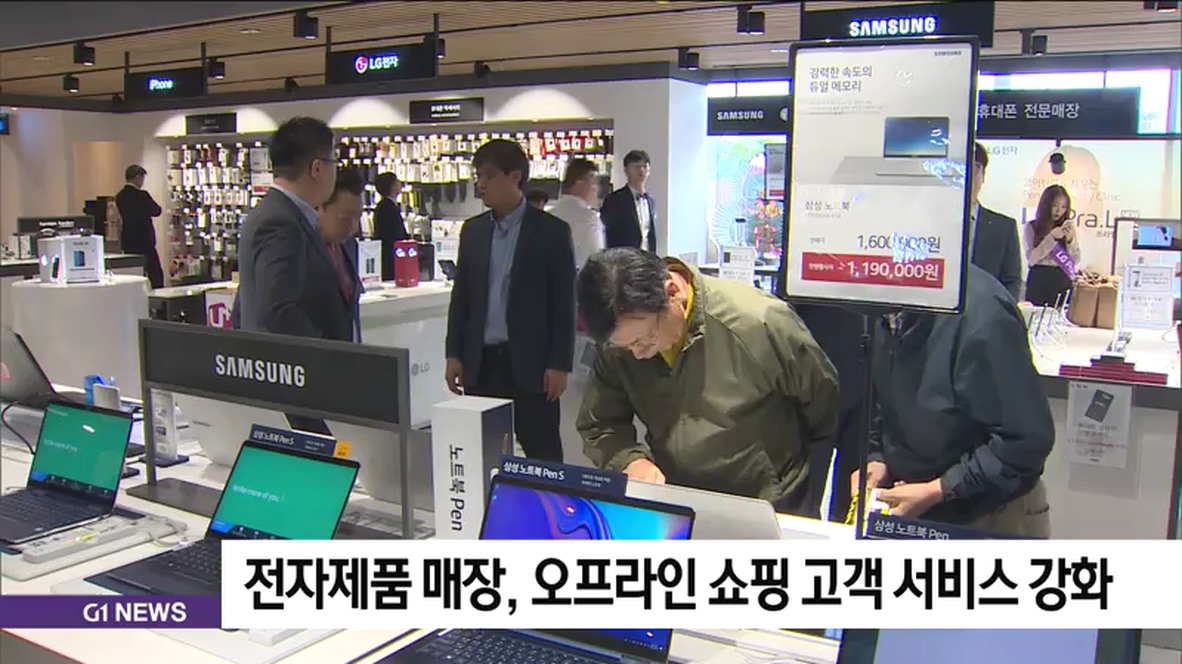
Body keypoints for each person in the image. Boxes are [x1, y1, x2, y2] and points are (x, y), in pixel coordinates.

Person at [576, 248, 841, 515]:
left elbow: (822, 400)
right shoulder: (619, 341)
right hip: (678, 501)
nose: (638, 354)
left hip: (768, 500)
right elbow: (600, 423)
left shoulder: (758, 322)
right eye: (626, 347)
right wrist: (629, 461)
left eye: (645, 339)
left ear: (672, 293)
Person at [852, 264, 1055, 537]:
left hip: (990, 513)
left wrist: (941, 488)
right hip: (919, 506)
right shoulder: (884, 306)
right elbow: (886, 401)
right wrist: (878, 458)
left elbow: (1027, 442)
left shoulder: (983, 314)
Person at [444, 139, 576, 462]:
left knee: (544, 456)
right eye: (478, 175)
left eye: (488, 175)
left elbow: (563, 303)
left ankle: (547, 498)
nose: (481, 183)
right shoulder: (473, 232)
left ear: (515, 177)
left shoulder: (551, 232)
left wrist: (559, 363)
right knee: (482, 455)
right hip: (482, 363)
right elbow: (461, 298)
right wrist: (453, 353)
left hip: (532, 365)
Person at [235, 116, 356, 341]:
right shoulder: (280, 222)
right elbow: (277, 311)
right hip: (295, 361)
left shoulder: (279, 213)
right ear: (317, 168)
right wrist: (325, 353)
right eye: (334, 162)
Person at [968, 142, 1022, 300]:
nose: (967, 176)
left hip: (986, 312)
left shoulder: (1004, 228)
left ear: (983, 175)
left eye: (974, 168)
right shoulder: (931, 223)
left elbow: (1011, 284)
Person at [1024, 184, 1082, 307]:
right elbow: (1032, 259)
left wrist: (1070, 240)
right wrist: (1052, 238)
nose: (1059, 211)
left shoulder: (1066, 228)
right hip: (1039, 279)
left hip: (1061, 279)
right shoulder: (1032, 227)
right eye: (1055, 205)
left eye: (1063, 207)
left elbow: (1075, 260)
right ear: (1046, 204)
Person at [547, 158, 603, 271]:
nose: (596, 189)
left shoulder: (549, 215)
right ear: (579, 184)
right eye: (593, 184)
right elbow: (595, 261)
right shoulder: (588, 218)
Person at [115, 165, 165, 289]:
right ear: (137, 177)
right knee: (154, 272)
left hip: (129, 240)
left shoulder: (120, 196)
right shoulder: (142, 195)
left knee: (133, 271)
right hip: (145, 240)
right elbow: (156, 211)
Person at [600, 150, 656, 252]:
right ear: (626, 170)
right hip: (623, 257)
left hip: (647, 257)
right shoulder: (614, 199)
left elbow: (649, 235)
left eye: (645, 166)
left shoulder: (650, 200)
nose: (641, 170)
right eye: (636, 167)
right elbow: (608, 233)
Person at [372, 171, 409, 282]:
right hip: (391, 256)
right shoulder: (387, 207)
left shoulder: (387, 206)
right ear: (392, 186)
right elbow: (394, 234)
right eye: (397, 181)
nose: (400, 183)